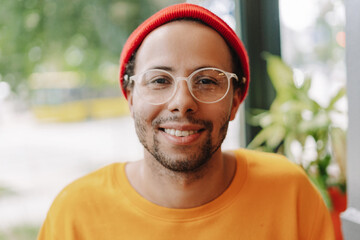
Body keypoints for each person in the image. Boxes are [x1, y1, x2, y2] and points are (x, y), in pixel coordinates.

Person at [38, 3, 335, 239]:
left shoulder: (289, 193)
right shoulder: (75, 213)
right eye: (159, 80)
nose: (182, 103)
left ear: (235, 101)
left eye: (206, 80)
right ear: (130, 97)